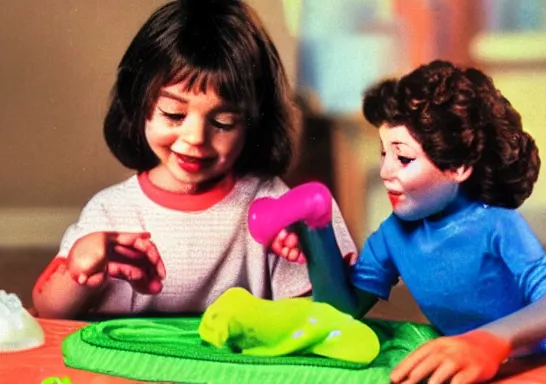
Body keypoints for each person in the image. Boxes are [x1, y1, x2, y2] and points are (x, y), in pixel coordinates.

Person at [31, 0, 357, 321]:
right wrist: (78, 265)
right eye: (174, 114)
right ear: (138, 104)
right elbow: (48, 309)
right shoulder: (111, 211)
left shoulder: (270, 200)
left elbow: (326, 314)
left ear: (253, 123)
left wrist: (312, 249)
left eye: (224, 122)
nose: (196, 138)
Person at [282, 59, 546, 384]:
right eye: (383, 154)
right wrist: (316, 233)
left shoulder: (495, 224)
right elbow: (341, 312)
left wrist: (491, 341)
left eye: (403, 158)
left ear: (458, 167)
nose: (385, 172)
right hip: (474, 369)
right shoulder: (392, 235)